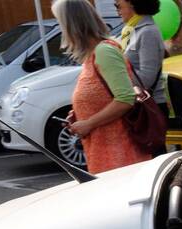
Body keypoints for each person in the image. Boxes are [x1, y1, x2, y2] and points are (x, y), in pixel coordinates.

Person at [56, 0, 153, 174]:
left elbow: (125, 99)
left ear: (73, 25)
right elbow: (103, 95)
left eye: (61, 23)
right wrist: (80, 114)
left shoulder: (104, 52)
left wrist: (89, 123)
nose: (61, 29)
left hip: (121, 155)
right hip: (106, 153)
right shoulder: (93, 54)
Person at [115, 0, 170, 115]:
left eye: (118, 6)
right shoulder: (131, 30)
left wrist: (117, 81)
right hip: (137, 103)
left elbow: (146, 78)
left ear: (131, 3)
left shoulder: (148, 32)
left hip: (149, 106)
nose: (117, 12)